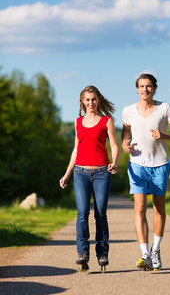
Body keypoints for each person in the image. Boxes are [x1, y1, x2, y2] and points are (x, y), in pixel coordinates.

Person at [122, 74, 170, 271]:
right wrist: (125, 143)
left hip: (160, 165)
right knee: (139, 207)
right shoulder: (128, 111)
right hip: (137, 165)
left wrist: (164, 135)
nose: (145, 90)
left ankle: (156, 249)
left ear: (154, 88)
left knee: (159, 208)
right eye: (141, 86)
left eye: (148, 86)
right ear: (137, 89)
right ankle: (145, 254)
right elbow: (125, 131)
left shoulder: (164, 108)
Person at [60, 85, 119, 271]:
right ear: (82, 101)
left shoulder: (106, 121)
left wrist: (114, 162)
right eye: (87, 99)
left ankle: (102, 254)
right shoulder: (78, 122)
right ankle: (82, 252)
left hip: (102, 172)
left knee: (100, 214)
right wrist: (67, 172)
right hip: (80, 173)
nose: (91, 103)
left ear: (98, 100)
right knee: (82, 212)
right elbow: (76, 149)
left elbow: (115, 146)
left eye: (94, 99)